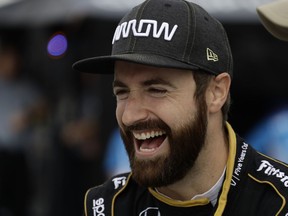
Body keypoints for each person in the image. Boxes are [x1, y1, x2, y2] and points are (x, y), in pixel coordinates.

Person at [73, 0, 288, 215]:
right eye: (122, 92)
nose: (130, 116)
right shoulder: (105, 206)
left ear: (216, 93)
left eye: (156, 90)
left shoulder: (278, 201)